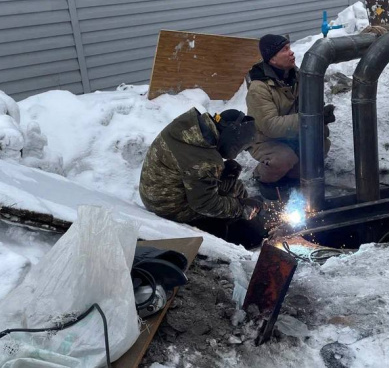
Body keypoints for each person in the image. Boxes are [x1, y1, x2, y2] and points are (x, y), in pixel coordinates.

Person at [138, 108, 266, 248]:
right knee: (248, 234)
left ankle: (245, 216)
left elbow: (190, 164)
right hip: (168, 206)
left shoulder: (193, 128)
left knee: (234, 184)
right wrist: (240, 207)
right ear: (232, 138)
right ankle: (238, 228)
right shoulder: (205, 161)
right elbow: (204, 204)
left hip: (157, 189)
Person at [246, 34, 334, 200]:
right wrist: (311, 118)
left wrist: (322, 117)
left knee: (319, 147)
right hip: (265, 139)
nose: (291, 53)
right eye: (285, 50)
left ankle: (289, 175)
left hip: (291, 134)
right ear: (272, 59)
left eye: (290, 48)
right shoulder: (259, 88)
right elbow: (270, 126)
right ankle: (262, 178)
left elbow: (310, 104)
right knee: (284, 159)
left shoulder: (297, 76)